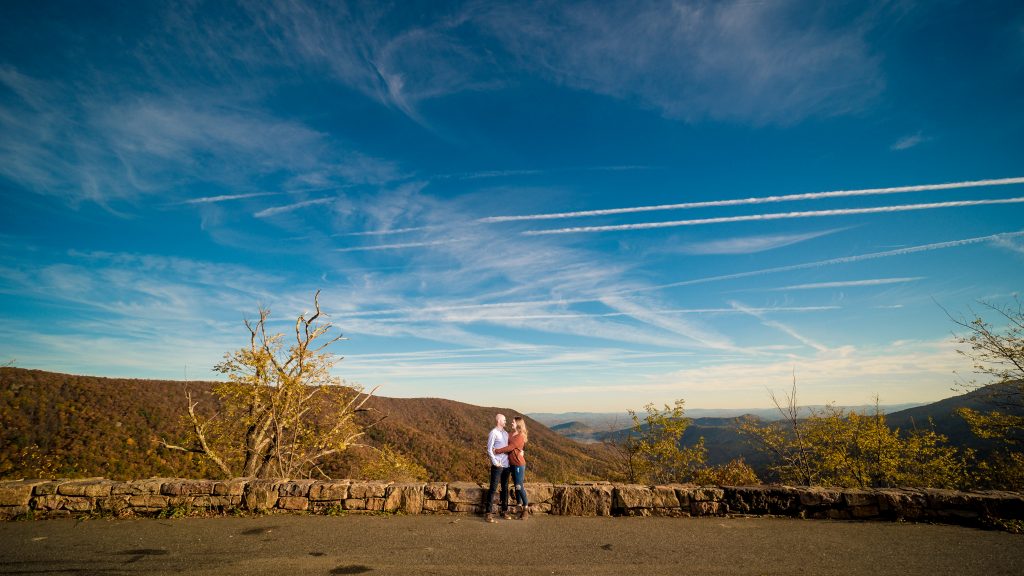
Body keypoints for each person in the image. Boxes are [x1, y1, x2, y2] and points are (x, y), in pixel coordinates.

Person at [493, 415, 530, 520]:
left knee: (519, 486)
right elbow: (505, 441)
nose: (511, 423)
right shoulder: (511, 434)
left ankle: (526, 508)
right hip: (511, 464)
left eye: (513, 422)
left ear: (518, 424)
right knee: (516, 485)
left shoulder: (520, 436)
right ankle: (519, 506)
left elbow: (510, 447)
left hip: (519, 464)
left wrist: (497, 451)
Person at [485, 413, 511, 523]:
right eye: (504, 420)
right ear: (499, 421)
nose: (505, 421)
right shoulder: (493, 433)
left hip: (507, 465)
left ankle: (504, 511)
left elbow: (511, 446)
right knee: (493, 488)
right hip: (498, 465)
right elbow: (489, 449)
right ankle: (488, 513)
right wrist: (495, 462)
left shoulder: (506, 433)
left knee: (505, 488)